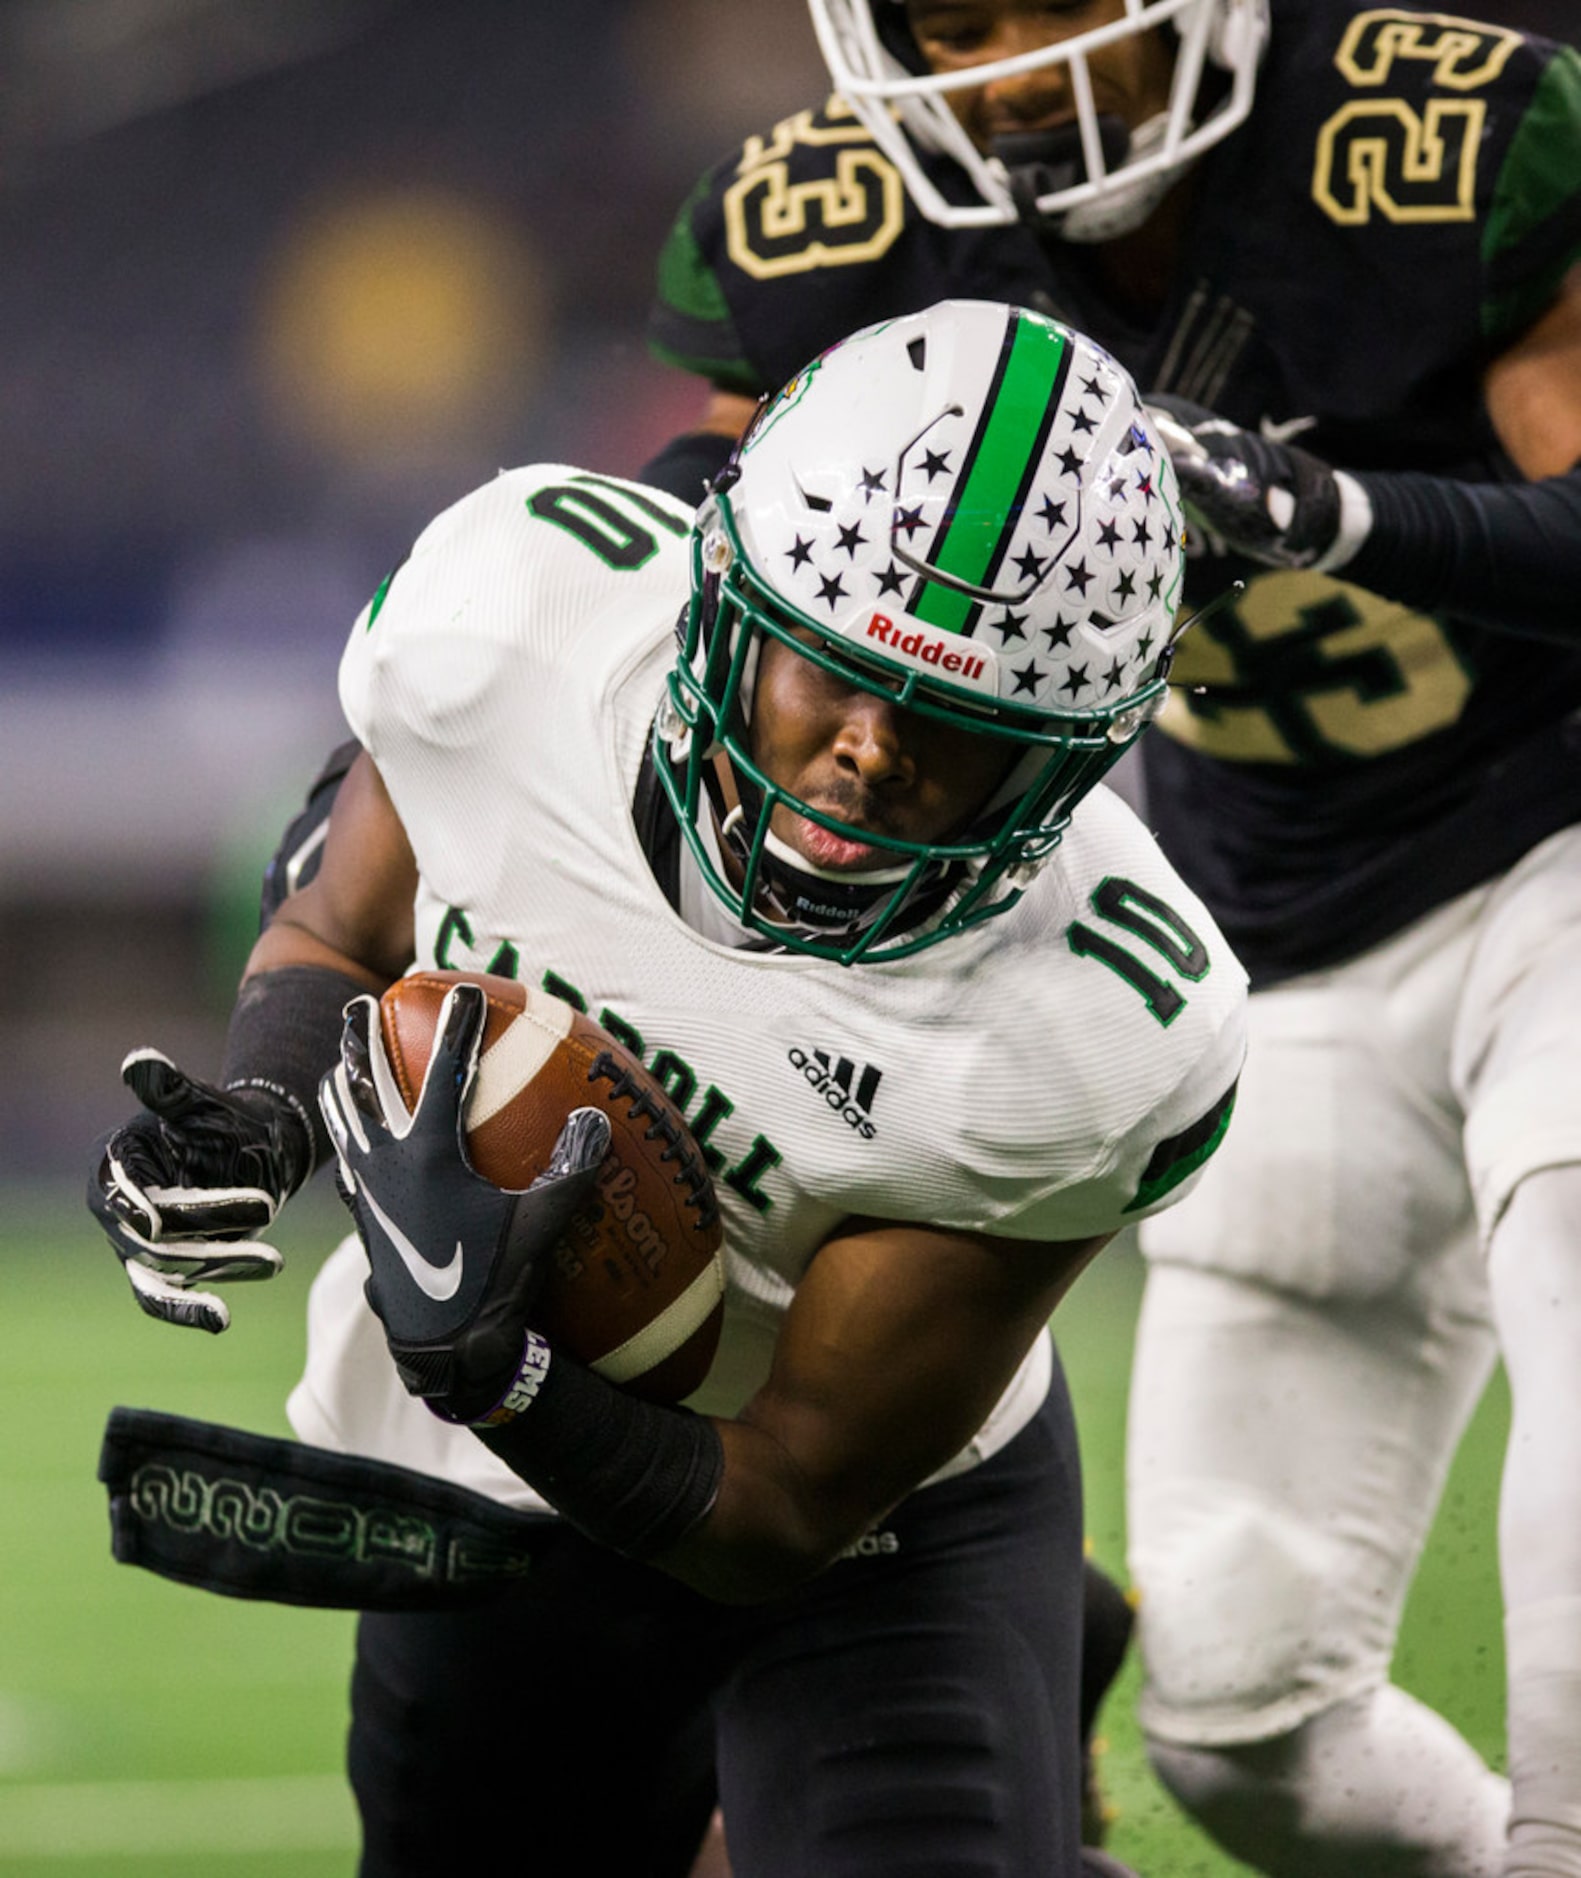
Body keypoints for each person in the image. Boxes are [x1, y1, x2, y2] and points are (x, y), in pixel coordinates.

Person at [87, 298, 1247, 1878]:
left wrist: (496, 1366)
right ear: (725, 595)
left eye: (962, 730)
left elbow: (787, 1502)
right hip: (502, 1488)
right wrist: (267, 1114)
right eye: (826, 672)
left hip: (871, 1525)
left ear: (1067, 758)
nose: (867, 752)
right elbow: (342, 926)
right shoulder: (513, 624)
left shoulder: (1097, 1023)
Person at [645, 3, 1581, 1874]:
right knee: (1247, 1734)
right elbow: (709, 564)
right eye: (959, 22)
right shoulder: (827, 229)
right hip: (1268, 927)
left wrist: (1329, 512)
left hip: (1555, 823)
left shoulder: (1439, 128)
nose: (1013, 67)